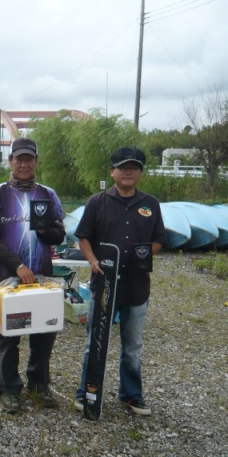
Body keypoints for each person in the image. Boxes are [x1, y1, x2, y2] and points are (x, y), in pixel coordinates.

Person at [74, 147, 166, 416]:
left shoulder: (151, 204)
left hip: (137, 288)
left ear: (140, 173)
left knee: (132, 347)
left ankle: (131, 395)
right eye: (123, 167)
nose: (128, 171)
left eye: (135, 167)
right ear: (112, 171)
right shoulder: (97, 201)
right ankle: (87, 392)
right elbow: (83, 237)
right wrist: (92, 260)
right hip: (104, 285)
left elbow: (159, 240)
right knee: (94, 342)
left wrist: (145, 255)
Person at [0, 138, 66, 414]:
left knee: (44, 331)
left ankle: (39, 384)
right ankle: (10, 389)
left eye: (29, 159)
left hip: (42, 278)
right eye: (19, 159)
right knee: (10, 335)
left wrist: (44, 232)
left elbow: (60, 234)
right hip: (10, 278)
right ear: (11, 162)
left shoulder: (48, 194)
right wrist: (17, 265)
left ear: (36, 162)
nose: (24, 164)